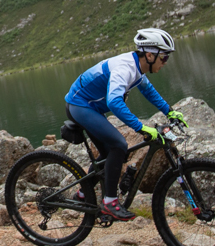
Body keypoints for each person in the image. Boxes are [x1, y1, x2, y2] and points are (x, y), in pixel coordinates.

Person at [64, 27, 184, 221]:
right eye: (164, 57)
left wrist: (170, 111)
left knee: (106, 155)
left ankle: (82, 194)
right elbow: (114, 101)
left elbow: (149, 91)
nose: (165, 62)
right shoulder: (125, 68)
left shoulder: (138, 67)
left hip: (91, 107)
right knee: (119, 145)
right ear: (150, 55)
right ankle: (110, 203)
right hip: (80, 106)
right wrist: (141, 127)